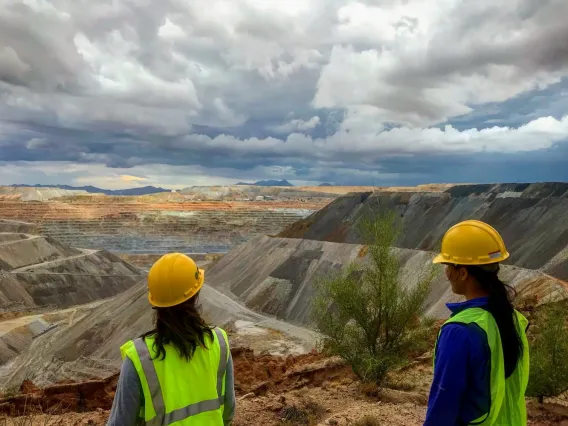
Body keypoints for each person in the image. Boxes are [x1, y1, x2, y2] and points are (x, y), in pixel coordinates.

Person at [107, 253, 236, 426]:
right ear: (195, 294)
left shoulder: (139, 358)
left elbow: (120, 423)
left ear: (155, 303)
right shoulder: (219, 342)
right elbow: (228, 410)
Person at [423, 220, 529, 426]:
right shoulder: (512, 318)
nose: (446, 274)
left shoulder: (459, 331)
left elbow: (444, 404)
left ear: (463, 273)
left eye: (448, 265)